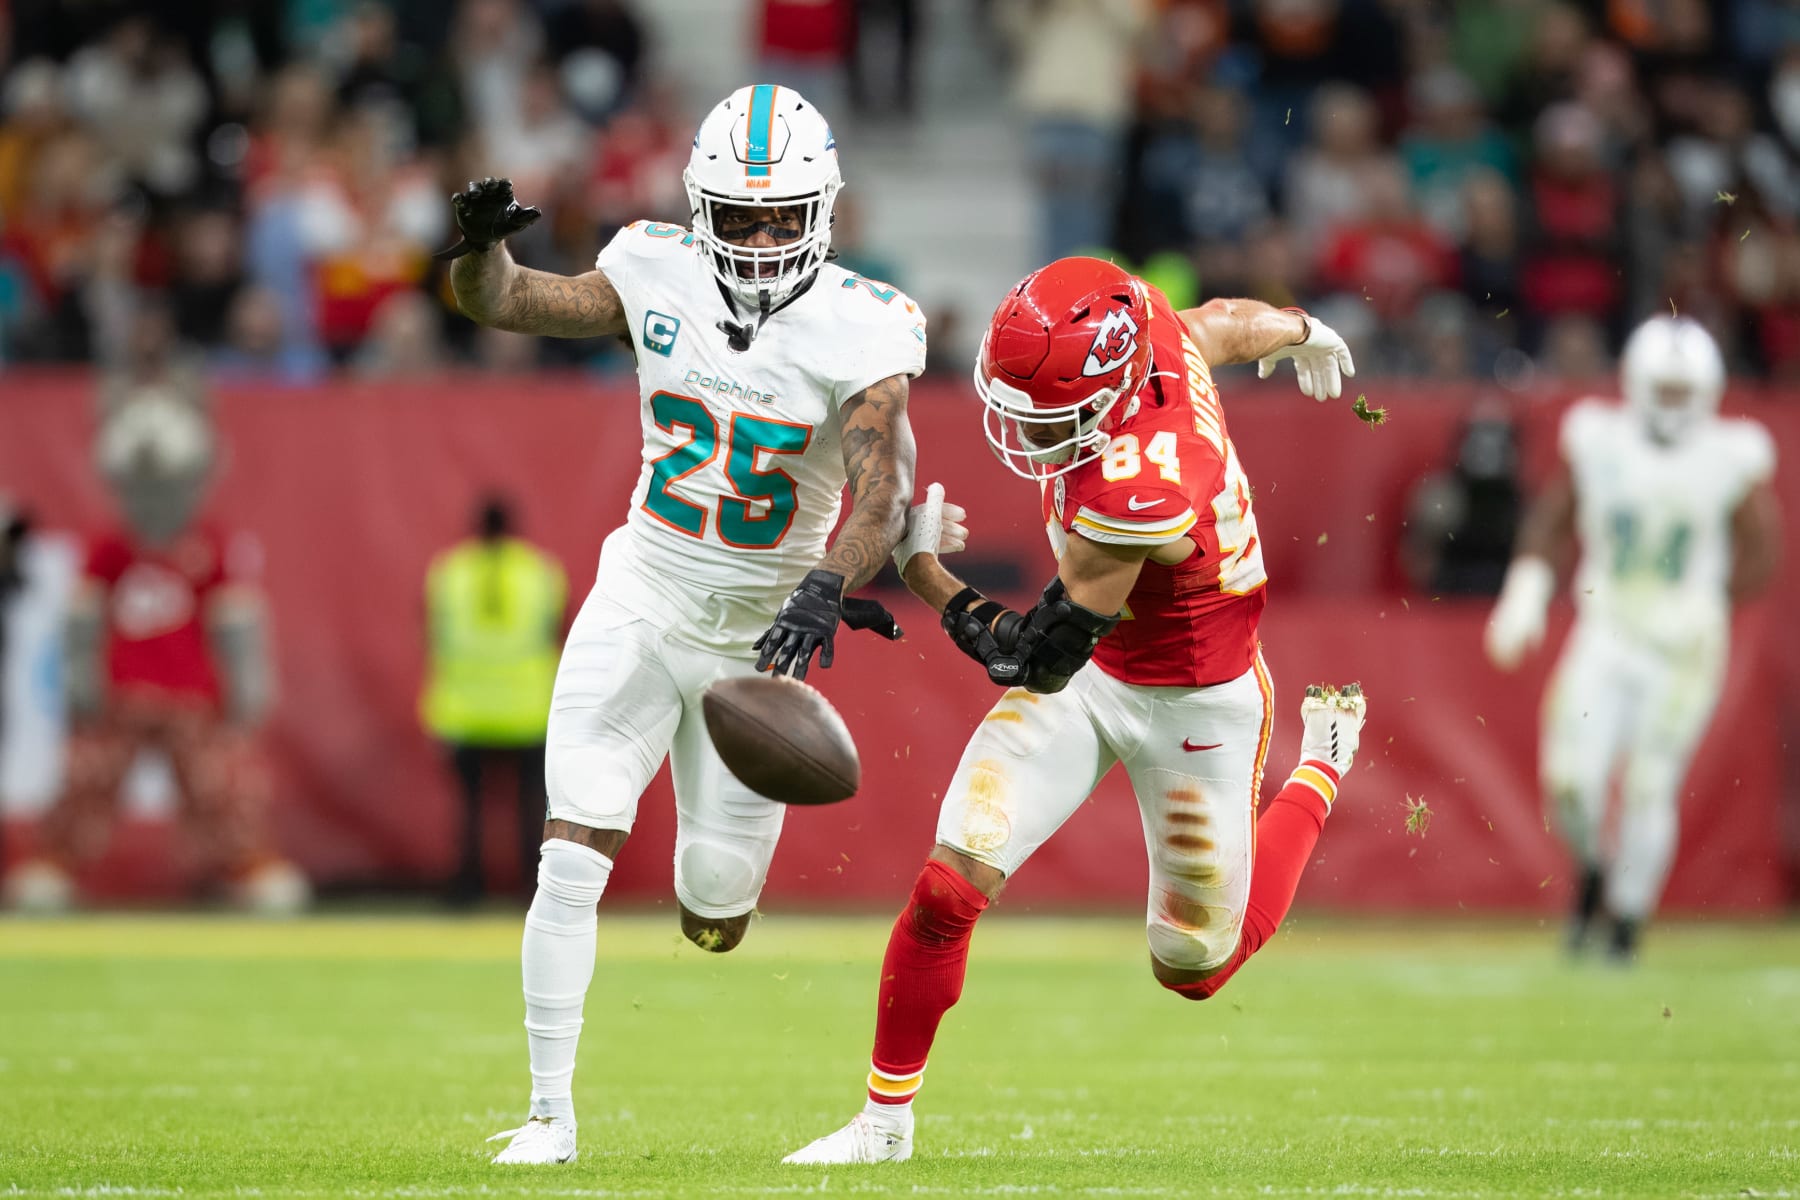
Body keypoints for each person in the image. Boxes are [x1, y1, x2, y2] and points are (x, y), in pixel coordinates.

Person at [784, 256, 1367, 1165]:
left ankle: (1322, 767)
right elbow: (1214, 322)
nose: (1026, 429)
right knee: (948, 886)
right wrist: (1299, 327)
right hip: (1101, 674)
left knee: (1193, 968)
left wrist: (920, 569)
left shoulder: (1145, 485)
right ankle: (883, 1124)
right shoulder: (1149, 331)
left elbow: (1033, 659)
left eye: (1049, 415)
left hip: (1192, 698)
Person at [443, 84, 932, 1165]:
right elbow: (507, 301)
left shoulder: (867, 324)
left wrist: (825, 584)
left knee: (715, 910)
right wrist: (477, 248)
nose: (759, 241)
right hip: (643, 594)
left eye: (780, 217)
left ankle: (709, 900)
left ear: (823, 210)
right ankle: (549, 1117)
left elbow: (882, 495)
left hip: (761, 643)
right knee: (571, 849)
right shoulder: (652, 265)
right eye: (741, 217)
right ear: (701, 207)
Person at [1484, 316, 1781, 962]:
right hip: (1607, 631)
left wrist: (1710, 604)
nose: (1672, 403)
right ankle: (1593, 871)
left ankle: (1625, 923)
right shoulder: (1599, 438)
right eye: (1663, 389)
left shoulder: (1729, 455)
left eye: (1683, 391)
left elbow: (1764, 551)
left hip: (1683, 649)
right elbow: (1553, 518)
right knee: (1569, 782)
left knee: (1650, 784)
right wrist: (1526, 591)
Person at [1, 395, 306, 914]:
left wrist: (249, 683)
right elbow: (84, 615)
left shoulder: (209, 546)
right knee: (88, 780)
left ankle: (249, 865)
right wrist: (81, 676)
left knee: (219, 786)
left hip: (191, 692)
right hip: (123, 688)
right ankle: (54, 864)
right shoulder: (111, 547)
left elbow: (234, 617)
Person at [420, 495, 567, 906]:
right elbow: (556, 634)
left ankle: (468, 887)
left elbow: (432, 637)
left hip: (465, 709)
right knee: (531, 804)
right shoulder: (540, 572)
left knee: (470, 808)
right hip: (527, 709)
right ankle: (533, 886)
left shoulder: (449, 572)